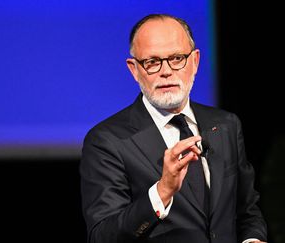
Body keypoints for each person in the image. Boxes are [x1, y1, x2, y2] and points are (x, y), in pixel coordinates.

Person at [79, 13, 268, 243]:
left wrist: (253, 240)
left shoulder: (226, 125)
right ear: (134, 70)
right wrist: (162, 192)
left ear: (195, 61)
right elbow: (102, 236)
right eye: (152, 62)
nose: (166, 71)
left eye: (177, 58)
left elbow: (247, 211)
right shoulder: (107, 141)